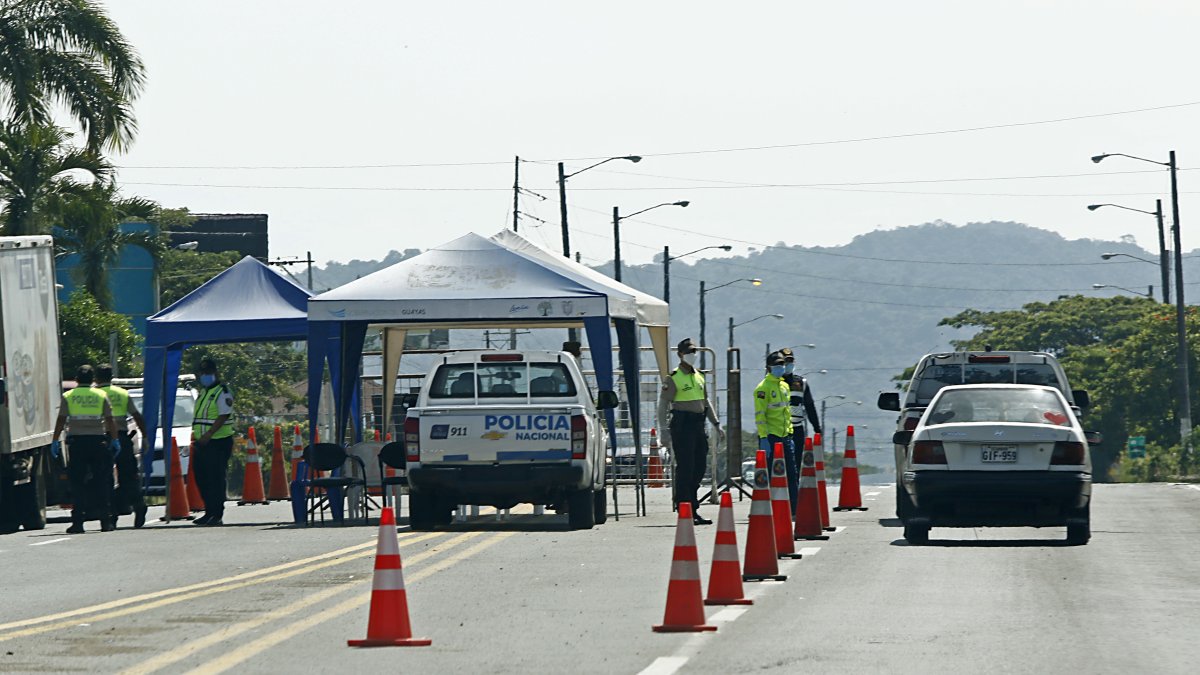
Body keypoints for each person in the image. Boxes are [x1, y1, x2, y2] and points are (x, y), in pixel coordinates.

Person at [657, 338, 724, 525]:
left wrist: (716, 424)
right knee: (686, 468)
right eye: (688, 352)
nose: (692, 355)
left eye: (694, 352)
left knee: (699, 467)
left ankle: (692, 506)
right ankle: (685, 507)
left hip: (698, 425)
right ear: (680, 354)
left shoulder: (699, 376)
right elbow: (662, 405)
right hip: (682, 426)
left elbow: (706, 402)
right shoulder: (673, 377)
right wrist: (663, 430)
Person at [52, 365, 120, 534]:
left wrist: (54, 440)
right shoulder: (101, 395)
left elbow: (61, 420)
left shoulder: (69, 396)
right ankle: (106, 522)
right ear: (93, 380)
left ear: (76, 379)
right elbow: (110, 420)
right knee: (101, 482)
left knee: (77, 484)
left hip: (77, 444)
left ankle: (78, 523)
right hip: (98, 442)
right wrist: (115, 439)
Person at [95, 364, 148, 528]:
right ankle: (139, 504)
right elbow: (136, 416)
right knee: (129, 475)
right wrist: (144, 436)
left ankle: (112, 515)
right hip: (123, 438)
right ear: (111, 377)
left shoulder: (95, 394)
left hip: (102, 439)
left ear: (96, 378)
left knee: (106, 478)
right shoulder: (122, 393)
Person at [192, 357, 235, 526]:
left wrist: (209, 434)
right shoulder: (204, 392)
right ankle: (208, 511)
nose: (204, 376)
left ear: (215, 373)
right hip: (202, 443)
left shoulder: (222, 391)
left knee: (216, 479)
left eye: (208, 373)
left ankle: (216, 514)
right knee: (202, 477)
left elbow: (223, 415)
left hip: (218, 441)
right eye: (202, 373)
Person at [755, 351, 799, 510]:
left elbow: (787, 412)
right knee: (770, 474)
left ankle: (794, 507)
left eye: (782, 364)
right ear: (768, 368)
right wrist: (763, 438)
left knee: (791, 474)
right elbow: (760, 416)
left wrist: (790, 434)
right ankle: (766, 508)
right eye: (777, 365)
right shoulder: (762, 389)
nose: (780, 367)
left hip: (785, 436)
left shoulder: (784, 386)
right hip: (771, 437)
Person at [779, 347, 822, 447]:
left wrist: (817, 428)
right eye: (785, 361)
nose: (788, 364)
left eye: (790, 361)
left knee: (796, 461)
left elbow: (810, 406)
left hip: (797, 429)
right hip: (778, 429)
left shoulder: (801, 383)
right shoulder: (774, 383)